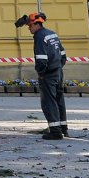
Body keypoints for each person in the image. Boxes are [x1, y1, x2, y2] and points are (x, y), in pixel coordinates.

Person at [19, 12, 67, 140]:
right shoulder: (52, 34)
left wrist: (41, 73)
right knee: (59, 99)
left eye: (30, 26)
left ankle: (55, 132)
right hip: (58, 71)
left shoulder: (39, 36)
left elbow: (41, 59)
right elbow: (63, 54)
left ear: (36, 24)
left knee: (49, 102)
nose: (29, 28)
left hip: (48, 73)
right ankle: (63, 128)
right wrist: (58, 67)